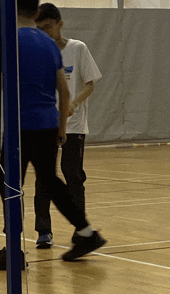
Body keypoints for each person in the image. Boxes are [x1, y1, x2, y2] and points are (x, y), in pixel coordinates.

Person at [0, 0, 106, 269]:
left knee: (11, 186)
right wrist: (60, 130)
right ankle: (86, 233)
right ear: (35, 12)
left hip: (19, 126)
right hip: (47, 124)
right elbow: (64, 90)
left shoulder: (9, 40)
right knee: (50, 181)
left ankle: (13, 250)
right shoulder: (49, 44)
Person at [34, 3, 102, 249]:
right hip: (47, 125)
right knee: (44, 178)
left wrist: (73, 103)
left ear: (59, 24)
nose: (45, 32)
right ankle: (43, 230)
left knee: (73, 176)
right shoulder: (39, 50)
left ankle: (80, 232)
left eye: (49, 27)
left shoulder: (78, 48)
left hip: (74, 125)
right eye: (40, 28)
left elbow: (90, 84)